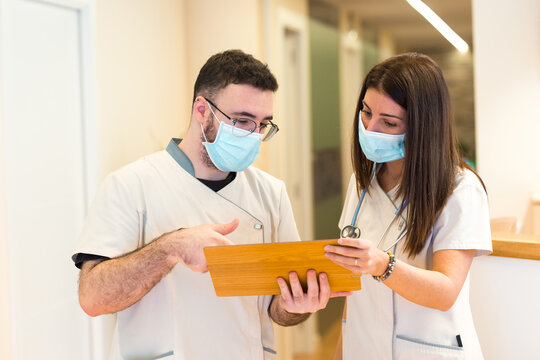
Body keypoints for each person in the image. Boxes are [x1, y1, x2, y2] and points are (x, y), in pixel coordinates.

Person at [73, 49, 343, 360]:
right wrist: (172, 247)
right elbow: (92, 298)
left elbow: (279, 310)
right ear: (202, 110)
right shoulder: (130, 185)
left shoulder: (271, 193)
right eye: (242, 120)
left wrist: (297, 306)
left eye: (263, 124)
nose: (253, 135)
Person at [324, 53, 492, 359]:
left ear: (422, 127)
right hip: (363, 348)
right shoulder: (362, 183)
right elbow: (354, 293)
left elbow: (445, 292)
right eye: (365, 111)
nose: (371, 128)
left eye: (388, 122)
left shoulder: (460, 189)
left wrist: (381, 265)